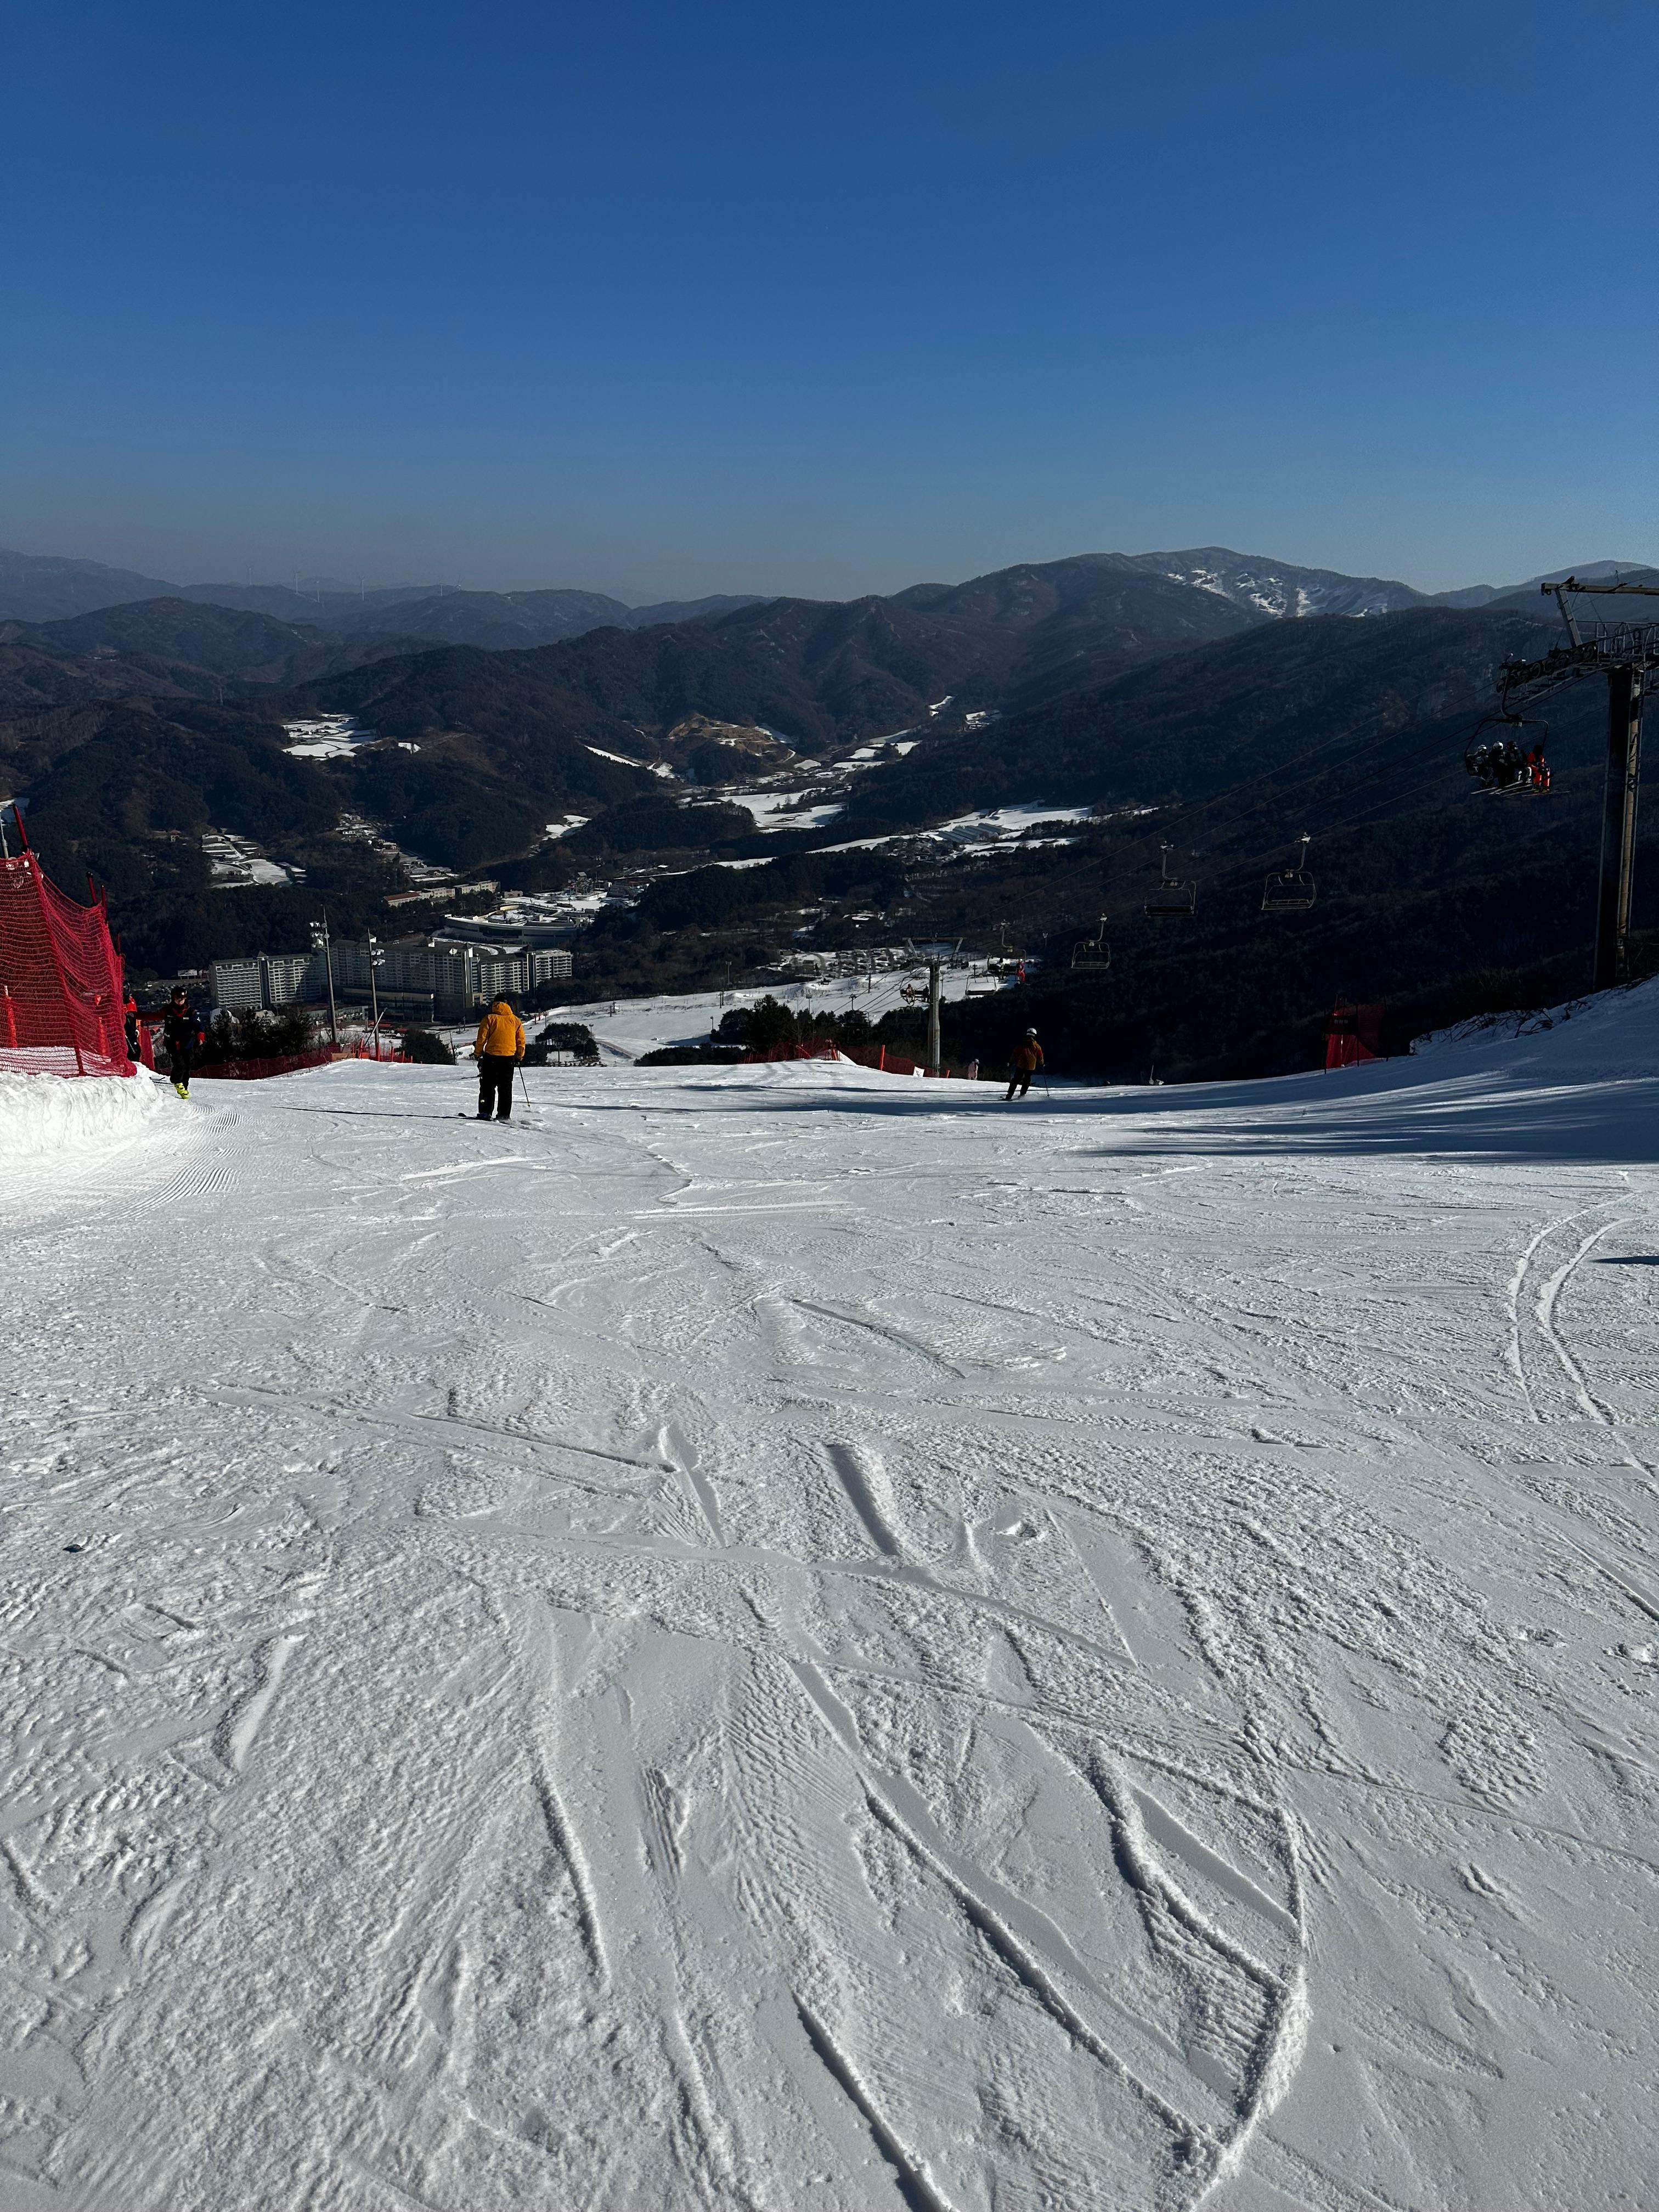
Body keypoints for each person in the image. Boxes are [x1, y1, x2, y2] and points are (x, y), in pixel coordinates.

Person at [472, 995, 525, 1120]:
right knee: (505, 1088)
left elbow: (482, 1038)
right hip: (509, 1058)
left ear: (495, 1004)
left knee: (487, 1087)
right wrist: (519, 1056)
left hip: (491, 1057)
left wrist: (478, 1053)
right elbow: (521, 1041)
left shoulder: (489, 1018)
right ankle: (504, 1114)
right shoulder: (515, 1020)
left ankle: (485, 1112)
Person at [162, 986, 204, 1097]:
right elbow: (152, 1016)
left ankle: (184, 1086)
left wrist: (200, 1037)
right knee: (180, 1064)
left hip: (188, 1043)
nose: (180, 1001)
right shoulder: (167, 1011)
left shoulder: (191, 1012)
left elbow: (199, 1027)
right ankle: (177, 1082)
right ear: (173, 998)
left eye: (183, 998)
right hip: (173, 1043)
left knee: (187, 1065)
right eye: (178, 999)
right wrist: (134, 1015)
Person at [1006, 1028, 1043, 1102]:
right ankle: (1022, 1095)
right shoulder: (1037, 1046)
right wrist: (1042, 1064)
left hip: (1021, 1065)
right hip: (1031, 1067)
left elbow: (1015, 1054)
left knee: (1016, 1080)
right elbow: (1040, 1057)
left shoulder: (1021, 1044)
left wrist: (1010, 1063)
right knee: (1027, 1081)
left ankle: (1009, 1096)